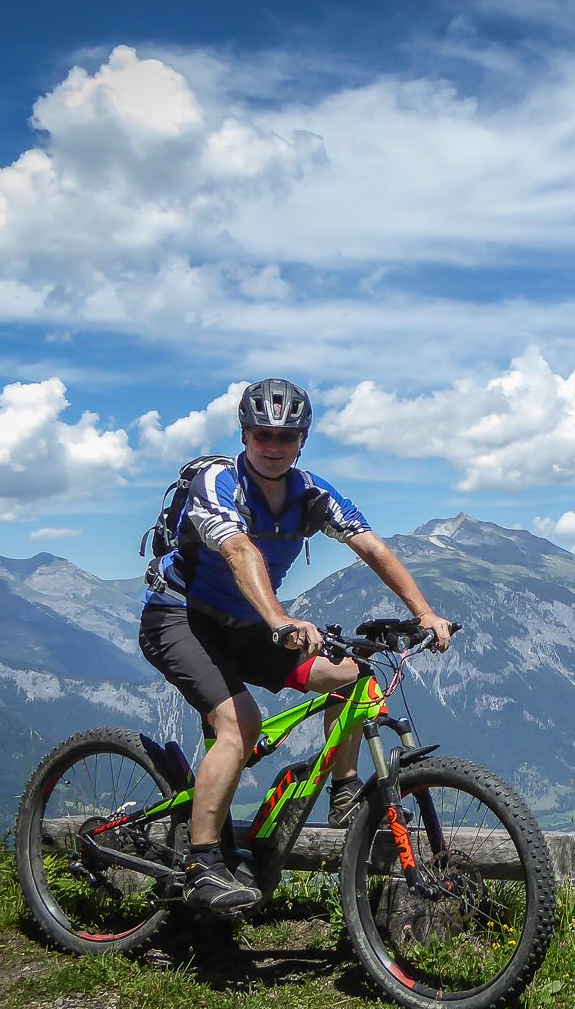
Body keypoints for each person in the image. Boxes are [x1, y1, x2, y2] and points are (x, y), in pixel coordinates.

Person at [137, 378, 454, 911]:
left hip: (249, 625)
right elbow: (238, 551)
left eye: (286, 436)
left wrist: (423, 613)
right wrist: (280, 618)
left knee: (352, 677)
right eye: (262, 434)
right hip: (180, 618)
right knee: (240, 723)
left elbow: (371, 547)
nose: (273, 445)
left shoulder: (311, 494)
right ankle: (202, 863)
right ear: (244, 434)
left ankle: (346, 790)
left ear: (302, 440)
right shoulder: (218, 482)